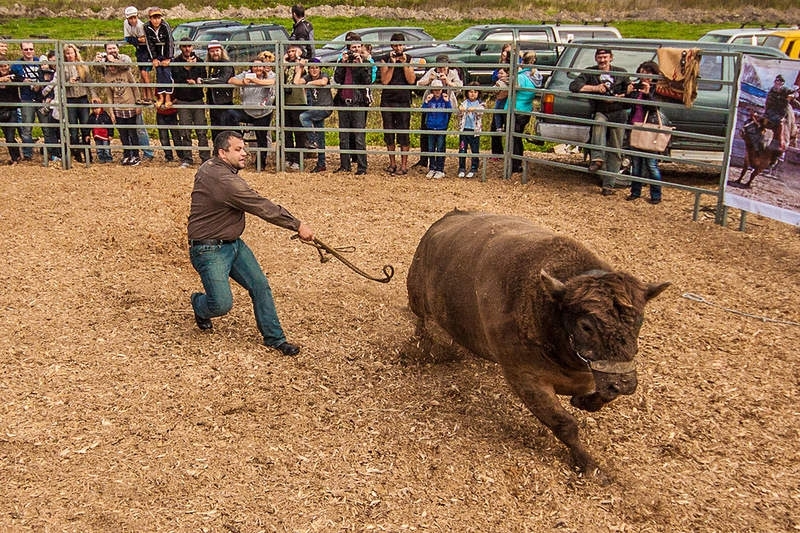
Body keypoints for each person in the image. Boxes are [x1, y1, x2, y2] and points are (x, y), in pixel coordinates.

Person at [187, 130, 315, 356]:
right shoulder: (225, 181)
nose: (245, 153)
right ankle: (199, 304)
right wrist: (297, 225)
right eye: (238, 149)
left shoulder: (211, 167)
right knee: (221, 304)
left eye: (243, 148)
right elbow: (261, 206)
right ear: (222, 153)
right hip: (209, 249)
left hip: (233, 244)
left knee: (260, 285)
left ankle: (275, 338)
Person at [569, 48, 631, 195]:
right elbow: (574, 86)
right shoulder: (590, 72)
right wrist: (595, 88)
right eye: (600, 57)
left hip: (618, 112)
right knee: (598, 123)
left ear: (611, 58)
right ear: (596, 59)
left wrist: (621, 95)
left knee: (615, 149)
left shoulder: (621, 72)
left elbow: (630, 90)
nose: (602, 60)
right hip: (601, 110)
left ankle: (609, 185)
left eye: (605, 57)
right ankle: (597, 158)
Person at [228, 52, 277, 170]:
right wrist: (242, 82)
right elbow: (231, 80)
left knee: (262, 137)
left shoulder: (269, 75)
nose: (258, 68)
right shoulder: (246, 74)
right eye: (255, 66)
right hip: (247, 111)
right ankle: (237, 136)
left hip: (263, 112)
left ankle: (261, 164)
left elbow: (273, 82)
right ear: (251, 68)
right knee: (229, 114)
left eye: (260, 66)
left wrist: (255, 81)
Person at [414, 54, 462, 171]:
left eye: (444, 67)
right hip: (430, 105)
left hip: (445, 106)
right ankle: (425, 160)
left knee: (441, 134)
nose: (441, 70)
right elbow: (419, 84)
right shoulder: (432, 71)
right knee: (425, 131)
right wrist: (429, 80)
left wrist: (448, 82)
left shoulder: (452, 73)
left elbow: (460, 87)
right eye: (439, 67)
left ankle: (440, 164)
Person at [98, 42, 143, 166]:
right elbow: (109, 95)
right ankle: (127, 154)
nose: (111, 68)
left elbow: (135, 87)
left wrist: (138, 103)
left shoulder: (126, 72)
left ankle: (136, 155)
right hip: (118, 107)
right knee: (123, 133)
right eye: (109, 66)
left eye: (113, 65)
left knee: (132, 132)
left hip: (130, 105)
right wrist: (111, 111)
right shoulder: (107, 77)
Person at [332, 32, 371, 175]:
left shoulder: (365, 62)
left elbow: (367, 81)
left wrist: (360, 65)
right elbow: (337, 79)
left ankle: (362, 167)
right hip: (343, 101)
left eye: (358, 47)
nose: (355, 50)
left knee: (359, 137)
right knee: (343, 136)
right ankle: (345, 165)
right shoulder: (343, 61)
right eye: (353, 47)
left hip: (358, 102)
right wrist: (343, 64)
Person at [626, 61, 664, 205]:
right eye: (642, 73)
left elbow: (655, 107)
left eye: (648, 74)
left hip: (650, 130)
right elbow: (628, 105)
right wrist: (629, 93)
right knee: (635, 163)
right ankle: (635, 191)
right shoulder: (637, 89)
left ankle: (656, 194)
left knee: (651, 164)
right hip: (635, 127)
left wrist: (648, 94)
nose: (644, 77)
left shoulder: (657, 89)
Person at [378, 33, 416, 176]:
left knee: (404, 133)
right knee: (389, 132)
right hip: (388, 99)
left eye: (400, 45)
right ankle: (392, 163)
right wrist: (392, 64)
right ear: (391, 46)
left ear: (404, 46)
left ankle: (404, 165)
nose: (398, 48)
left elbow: (411, 80)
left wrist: (405, 63)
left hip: (403, 99)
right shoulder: (385, 59)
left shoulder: (409, 59)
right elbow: (385, 80)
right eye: (395, 45)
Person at [171, 39, 210, 168]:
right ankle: (187, 158)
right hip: (182, 100)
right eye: (184, 47)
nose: (187, 49)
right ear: (181, 48)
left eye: (189, 46)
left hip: (197, 99)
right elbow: (177, 78)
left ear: (192, 47)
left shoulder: (199, 61)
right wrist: (187, 68)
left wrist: (198, 80)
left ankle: (205, 158)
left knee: (201, 131)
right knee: (185, 131)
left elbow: (203, 76)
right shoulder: (176, 62)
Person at [505, 51, 542, 174]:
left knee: (513, 139)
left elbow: (512, 89)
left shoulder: (520, 76)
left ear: (522, 62)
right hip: (526, 110)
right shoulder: (536, 77)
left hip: (515, 109)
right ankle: (517, 163)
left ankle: (514, 165)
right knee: (517, 138)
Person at [63, 43, 97, 163]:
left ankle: (88, 154)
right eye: (67, 53)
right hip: (70, 99)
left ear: (75, 53)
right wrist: (68, 82)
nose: (70, 55)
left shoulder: (83, 66)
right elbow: (59, 85)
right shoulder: (63, 67)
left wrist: (94, 96)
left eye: (71, 53)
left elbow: (90, 83)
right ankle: (77, 154)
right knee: (73, 128)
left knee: (85, 127)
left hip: (82, 98)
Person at [11, 42, 43, 161]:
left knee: (47, 127)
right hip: (26, 98)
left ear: (34, 50)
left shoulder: (40, 62)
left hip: (41, 98)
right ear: (22, 51)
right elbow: (12, 77)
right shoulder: (16, 65)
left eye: (31, 49)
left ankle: (51, 152)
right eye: (26, 49)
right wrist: (23, 80)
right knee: (27, 128)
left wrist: (40, 85)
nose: (28, 51)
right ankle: (28, 154)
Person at [299, 57, 332, 173]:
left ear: (320, 69)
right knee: (320, 135)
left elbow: (323, 82)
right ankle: (321, 163)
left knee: (303, 117)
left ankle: (313, 141)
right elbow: (296, 82)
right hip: (315, 108)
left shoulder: (324, 75)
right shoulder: (307, 77)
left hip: (325, 107)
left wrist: (309, 83)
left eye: (316, 68)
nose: (314, 70)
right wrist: (301, 67)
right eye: (311, 68)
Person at [421, 79, 453, 179]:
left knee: (440, 148)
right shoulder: (430, 99)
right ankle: (432, 168)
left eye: (438, 90)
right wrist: (426, 101)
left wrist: (447, 101)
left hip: (441, 127)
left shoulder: (445, 99)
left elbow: (450, 111)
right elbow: (423, 110)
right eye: (435, 90)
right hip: (431, 127)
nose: (437, 92)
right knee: (431, 148)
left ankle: (440, 169)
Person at [283, 43, 307, 170]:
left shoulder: (303, 63)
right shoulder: (285, 65)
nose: (292, 53)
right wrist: (283, 61)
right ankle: (289, 156)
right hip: (285, 101)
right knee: (287, 131)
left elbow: (304, 72)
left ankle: (298, 158)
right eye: (290, 51)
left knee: (299, 132)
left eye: (294, 51)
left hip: (298, 101)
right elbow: (281, 76)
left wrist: (298, 59)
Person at [123, 6, 154, 104]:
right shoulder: (125, 24)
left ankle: (150, 95)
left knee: (145, 73)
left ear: (137, 16)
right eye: (130, 18)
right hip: (139, 50)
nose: (133, 20)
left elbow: (145, 40)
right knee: (142, 73)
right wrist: (137, 40)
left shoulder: (141, 25)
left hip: (147, 50)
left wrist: (136, 40)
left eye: (134, 17)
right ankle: (145, 96)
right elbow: (128, 39)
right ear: (127, 18)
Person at [144, 7, 174, 109]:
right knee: (159, 74)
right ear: (150, 19)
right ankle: (161, 97)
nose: (156, 20)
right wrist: (154, 58)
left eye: (158, 17)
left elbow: (170, 41)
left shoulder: (165, 25)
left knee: (167, 74)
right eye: (154, 18)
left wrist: (169, 58)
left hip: (166, 53)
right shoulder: (147, 27)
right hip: (156, 54)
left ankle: (168, 97)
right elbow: (149, 43)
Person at [204, 40, 237, 132]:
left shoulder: (226, 64)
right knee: (215, 128)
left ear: (221, 51)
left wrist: (204, 81)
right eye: (212, 51)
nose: (215, 53)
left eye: (217, 51)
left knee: (226, 128)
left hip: (224, 102)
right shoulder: (212, 65)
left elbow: (222, 80)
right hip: (214, 102)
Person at [37, 49, 62, 163]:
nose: (53, 63)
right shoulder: (48, 72)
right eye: (51, 61)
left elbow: (50, 87)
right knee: (52, 129)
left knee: (60, 130)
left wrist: (43, 94)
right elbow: (49, 86)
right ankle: (55, 154)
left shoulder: (60, 71)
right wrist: (42, 96)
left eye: (55, 60)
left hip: (61, 104)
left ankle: (61, 152)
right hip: (54, 105)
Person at [457, 82, 485, 178]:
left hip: (474, 131)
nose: (473, 94)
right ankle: (461, 168)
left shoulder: (480, 104)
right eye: (470, 91)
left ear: (478, 93)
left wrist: (474, 109)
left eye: (475, 92)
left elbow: (481, 111)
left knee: (475, 150)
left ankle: (474, 167)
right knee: (462, 149)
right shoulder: (464, 103)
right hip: (464, 130)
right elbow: (460, 110)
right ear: (467, 93)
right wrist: (461, 109)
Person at [490, 44, 512, 157]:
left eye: (508, 52)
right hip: (500, 96)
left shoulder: (514, 65)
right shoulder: (499, 65)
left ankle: (510, 153)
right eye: (504, 51)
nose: (505, 54)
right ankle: (497, 153)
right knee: (495, 125)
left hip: (509, 99)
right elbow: (494, 77)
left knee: (509, 126)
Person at [0, 61, 22, 164]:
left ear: (9, 66)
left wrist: (10, 79)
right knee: (6, 134)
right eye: (1, 66)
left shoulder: (13, 75)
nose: (3, 68)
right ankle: (15, 157)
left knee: (10, 136)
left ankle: (15, 157)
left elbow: (21, 79)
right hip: (1, 110)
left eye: (5, 66)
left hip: (12, 109)